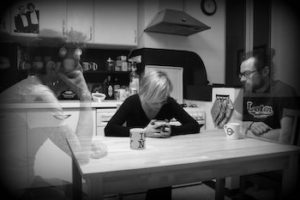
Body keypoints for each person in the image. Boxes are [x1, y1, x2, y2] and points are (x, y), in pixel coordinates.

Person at [0, 45, 94, 199]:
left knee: (69, 189)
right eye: (74, 64)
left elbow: (74, 146)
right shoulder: (40, 96)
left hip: (24, 179)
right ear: (52, 67)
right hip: (17, 187)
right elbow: (81, 156)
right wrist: (84, 95)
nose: (80, 70)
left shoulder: (30, 86)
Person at [104, 70, 201, 200]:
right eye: (155, 103)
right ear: (145, 94)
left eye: (162, 101)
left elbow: (193, 125)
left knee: (163, 172)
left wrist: (172, 130)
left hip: (160, 157)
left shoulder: (168, 102)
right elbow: (109, 129)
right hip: (135, 152)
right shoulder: (132, 102)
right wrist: (144, 131)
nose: (159, 106)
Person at [231, 49, 298, 143]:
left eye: (247, 74)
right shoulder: (245, 92)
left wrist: (245, 131)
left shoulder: (284, 92)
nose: (242, 79)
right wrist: (250, 125)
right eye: (241, 74)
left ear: (265, 72)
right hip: (247, 148)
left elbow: (288, 136)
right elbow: (233, 122)